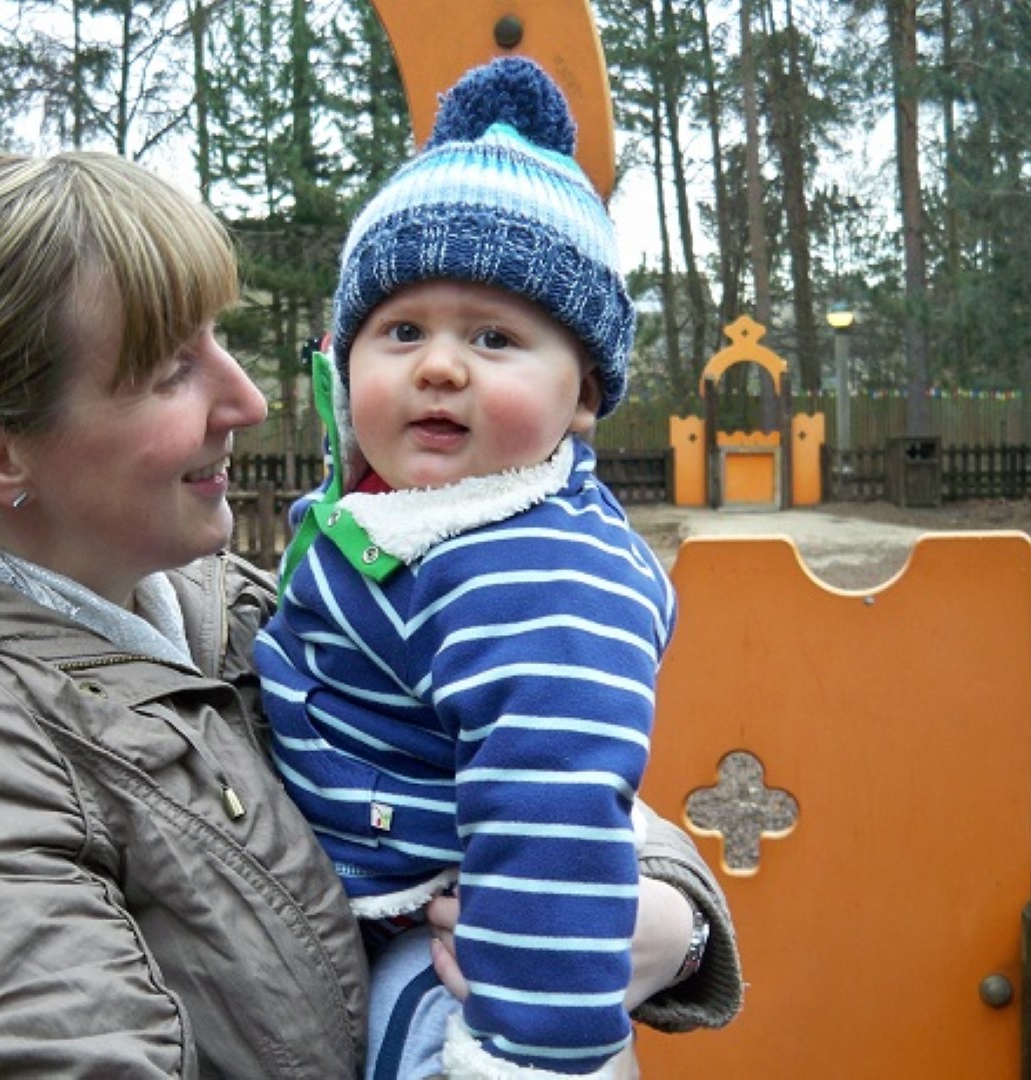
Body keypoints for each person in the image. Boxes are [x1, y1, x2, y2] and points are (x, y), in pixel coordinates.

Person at [0, 148, 739, 1076]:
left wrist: (665, 921)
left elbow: (530, 767)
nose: (248, 400)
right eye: (170, 370)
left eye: (219, 337)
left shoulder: (223, 607)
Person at [258, 57, 734, 1078]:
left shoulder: (540, 574)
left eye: (493, 335)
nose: (438, 365)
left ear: (583, 398)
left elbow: (554, 816)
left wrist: (527, 1052)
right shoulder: (404, 517)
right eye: (400, 331)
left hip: (462, 964)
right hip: (377, 902)